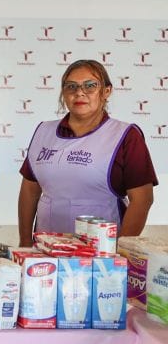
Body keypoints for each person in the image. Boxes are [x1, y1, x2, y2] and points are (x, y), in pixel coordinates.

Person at [18, 59, 157, 246]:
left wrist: (120, 250)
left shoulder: (125, 135)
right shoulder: (44, 131)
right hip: (46, 249)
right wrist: (25, 242)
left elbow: (142, 199)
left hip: (102, 253)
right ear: (63, 93)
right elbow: (29, 191)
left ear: (106, 91)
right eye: (71, 86)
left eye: (90, 85)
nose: (79, 92)